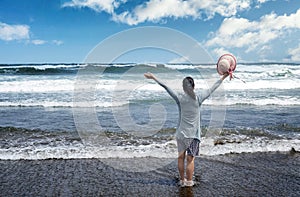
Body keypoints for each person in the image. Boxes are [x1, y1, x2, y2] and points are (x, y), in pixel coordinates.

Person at [144, 72, 229, 187]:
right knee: (190, 159)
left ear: (183, 88)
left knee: (180, 158)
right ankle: (189, 182)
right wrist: (224, 76)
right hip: (193, 136)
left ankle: (182, 180)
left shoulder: (179, 98)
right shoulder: (199, 98)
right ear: (194, 86)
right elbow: (213, 87)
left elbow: (166, 87)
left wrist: (153, 77)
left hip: (181, 135)